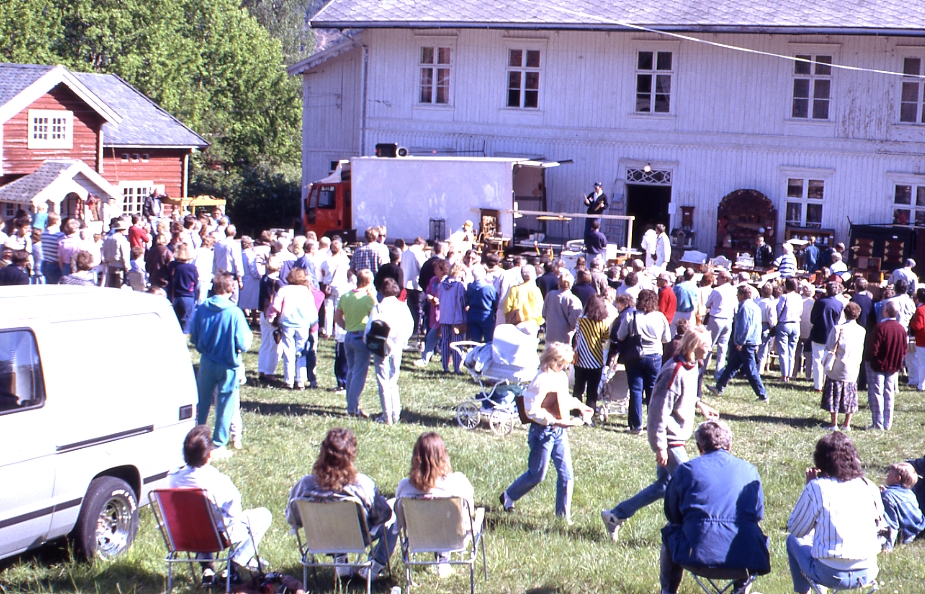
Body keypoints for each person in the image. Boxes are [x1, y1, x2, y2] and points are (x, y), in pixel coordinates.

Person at [602, 327, 717, 540]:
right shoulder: (673, 370)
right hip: (670, 440)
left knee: (663, 486)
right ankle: (695, 534)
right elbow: (658, 409)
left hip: (676, 438)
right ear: (694, 346)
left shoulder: (691, 367)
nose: (710, 348)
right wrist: (660, 446)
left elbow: (685, 394)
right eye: (706, 345)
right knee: (692, 484)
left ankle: (615, 515)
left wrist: (700, 405)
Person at [659, 420, 770, 594]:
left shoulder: (686, 470)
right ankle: (740, 591)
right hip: (745, 561)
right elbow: (757, 514)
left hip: (695, 558)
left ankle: (668, 591)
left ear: (698, 446)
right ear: (730, 445)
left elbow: (672, 514)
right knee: (749, 530)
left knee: (669, 530)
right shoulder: (750, 471)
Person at [286, 428, 397, 581]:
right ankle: (376, 565)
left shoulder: (305, 485)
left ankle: (340, 559)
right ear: (351, 455)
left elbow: (292, 518)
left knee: (334, 522)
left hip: (321, 538)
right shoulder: (362, 484)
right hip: (357, 538)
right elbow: (383, 515)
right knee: (394, 511)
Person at [500, 342, 592, 523]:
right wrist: (554, 420)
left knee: (566, 474)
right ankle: (508, 496)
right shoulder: (541, 379)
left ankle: (562, 517)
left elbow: (562, 399)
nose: (566, 366)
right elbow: (531, 410)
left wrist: (580, 406)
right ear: (553, 360)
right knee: (537, 474)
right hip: (542, 431)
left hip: (559, 432)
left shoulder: (561, 377)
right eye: (563, 363)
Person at [168, 425, 271, 584]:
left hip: (186, 536)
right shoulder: (217, 479)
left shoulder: (173, 478)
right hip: (218, 537)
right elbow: (234, 510)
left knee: (199, 521)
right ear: (209, 454)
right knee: (263, 515)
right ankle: (233, 567)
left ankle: (207, 568)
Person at [787, 432, 882, 594]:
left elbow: (797, 530)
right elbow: (880, 526)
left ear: (820, 460)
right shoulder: (869, 486)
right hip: (868, 571)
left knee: (793, 540)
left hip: (830, 574)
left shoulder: (817, 487)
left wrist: (809, 487)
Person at [190, 272, 253, 458]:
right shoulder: (234, 312)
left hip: (207, 361)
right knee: (225, 403)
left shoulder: (202, 309)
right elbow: (244, 343)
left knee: (202, 401)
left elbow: (194, 335)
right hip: (228, 363)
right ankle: (218, 443)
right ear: (230, 288)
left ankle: (197, 436)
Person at [395, 432, 475, 578]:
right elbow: (470, 511)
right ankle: (443, 561)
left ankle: (442, 559)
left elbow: (400, 519)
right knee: (446, 518)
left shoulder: (405, 487)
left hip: (418, 536)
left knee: (437, 518)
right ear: (443, 455)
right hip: (453, 536)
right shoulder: (457, 482)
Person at [617, 289, 671, 433]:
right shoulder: (660, 317)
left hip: (635, 356)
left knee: (635, 390)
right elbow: (667, 339)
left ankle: (636, 425)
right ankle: (654, 424)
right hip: (654, 356)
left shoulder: (632, 315)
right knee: (653, 390)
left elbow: (620, 335)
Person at [706, 284, 768, 401]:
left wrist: (740, 341)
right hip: (752, 340)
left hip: (745, 343)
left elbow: (745, 326)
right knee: (732, 365)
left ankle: (762, 395)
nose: (737, 297)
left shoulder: (744, 307)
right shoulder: (756, 307)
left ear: (742, 295)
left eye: (738, 295)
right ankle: (719, 387)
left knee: (750, 370)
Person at [367, 278, 413, 424]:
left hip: (382, 346)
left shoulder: (378, 307)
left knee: (383, 381)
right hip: (397, 345)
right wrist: (402, 340)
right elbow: (409, 326)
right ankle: (395, 413)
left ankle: (387, 415)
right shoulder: (402, 307)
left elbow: (370, 329)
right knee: (393, 380)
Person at [268, 268, 318, 390]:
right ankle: (300, 380)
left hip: (287, 323)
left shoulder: (284, 290)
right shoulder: (307, 291)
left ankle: (288, 380)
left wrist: (274, 317)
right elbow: (312, 310)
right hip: (303, 324)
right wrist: (312, 323)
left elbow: (275, 305)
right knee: (301, 352)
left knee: (288, 351)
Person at [336, 269, 377, 417]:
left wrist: (346, 326)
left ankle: (351, 404)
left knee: (351, 371)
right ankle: (353, 407)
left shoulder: (346, 296)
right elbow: (377, 314)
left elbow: (338, 316)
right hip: (361, 337)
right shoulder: (367, 300)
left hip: (348, 336)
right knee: (359, 374)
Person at [820, 301, 866, 430]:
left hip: (838, 366)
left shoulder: (838, 328)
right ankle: (847, 424)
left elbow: (829, 347)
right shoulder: (861, 330)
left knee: (834, 394)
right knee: (850, 395)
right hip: (853, 367)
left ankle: (833, 423)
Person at [865, 301, 907, 430]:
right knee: (889, 393)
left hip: (877, 365)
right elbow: (904, 349)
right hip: (893, 365)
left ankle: (878, 423)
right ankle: (887, 423)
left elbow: (873, 348)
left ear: (885, 311)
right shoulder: (901, 329)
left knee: (876, 393)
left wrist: (869, 359)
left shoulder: (880, 327)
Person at [572, 294, 612, 413]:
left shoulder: (581, 320)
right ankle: (590, 411)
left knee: (578, 387)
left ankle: (575, 411)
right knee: (592, 389)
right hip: (596, 359)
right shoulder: (604, 322)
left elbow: (577, 335)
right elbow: (605, 338)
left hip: (581, 358)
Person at [880, 462, 925, 550]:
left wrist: (887, 547)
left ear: (898, 478)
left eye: (889, 474)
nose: (887, 476)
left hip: (903, 535)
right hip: (917, 530)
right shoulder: (910, 493)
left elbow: (891, 523)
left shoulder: (887, 496)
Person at [809, 282, 845, 392]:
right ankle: (826, 384)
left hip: (818, 333)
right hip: (832, 334)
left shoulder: (819, 302)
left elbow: (812, 318)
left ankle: (817, 385)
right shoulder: (839, 304)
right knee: (828, 360)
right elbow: (839, 320)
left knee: (817, 360)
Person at [703, 269, 737, 381]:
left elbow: (707, 304)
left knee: (709, 345)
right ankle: (718, 373)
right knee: (723, 348)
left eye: (718, 278)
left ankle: (701, 369)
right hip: (728, 319)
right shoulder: (734, 290)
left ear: (724, 278)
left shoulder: (716, 291)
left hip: (716, 318)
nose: (717, 280)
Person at [437, 263, 467, 374]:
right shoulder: (459, 285)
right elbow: (462, 301)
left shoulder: (441, 284)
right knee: (457, 343)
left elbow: (440, 298)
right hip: (456, 318)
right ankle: (457, 367)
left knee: (445, 342)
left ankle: (445, 366)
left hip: (444, 316)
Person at [257, 255, 283, 383]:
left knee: (265, 343)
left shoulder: (264, 279)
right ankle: (269, 372)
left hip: (263, 312)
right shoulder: (278, 283)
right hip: (272, 315)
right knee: (274, 345)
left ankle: (262, 369)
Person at [502, 265, 545, 336]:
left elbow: (507, 307)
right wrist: (539, 322)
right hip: (532, 322)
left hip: (517, 322)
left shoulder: (514, 289)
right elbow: (540, 308)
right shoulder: (536, 290)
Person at [543, 271, 583, 345]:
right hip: (565, 337)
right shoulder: (573, 299)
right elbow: (574, 320)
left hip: (550, 334)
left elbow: (544, 313)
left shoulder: (550, 295)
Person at [167, 243, 199, 334]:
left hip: (174, 295)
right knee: (186, 320)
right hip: (187, 295)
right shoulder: (191, 268)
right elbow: (196, 281)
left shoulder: (172, 265)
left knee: (175, 319)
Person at [776, 278, 803, 382]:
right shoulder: (799, 297)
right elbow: (800, 311)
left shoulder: (784, 297)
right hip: (796, 324)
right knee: (792, 350)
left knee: (783, 351)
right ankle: (790, 373)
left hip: (784, 323)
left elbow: (779, 310)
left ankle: (784, 375)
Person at [401, 236, 428, 336]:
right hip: (416, 283)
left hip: (406, 283)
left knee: (411, 307)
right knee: (419, 307)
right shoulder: (418, 253)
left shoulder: (405, 253)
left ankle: (413, 327)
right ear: (421, 245)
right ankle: (418, 327)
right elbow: (422, 267)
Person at [465, 264, 498, 343]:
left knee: (475, 341)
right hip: (486, 316)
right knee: (488, 340)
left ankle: (475, 355)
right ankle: (487, 355)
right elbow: (495, 302)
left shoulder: (470, 287)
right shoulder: (489, 288)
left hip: (472, 315)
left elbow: (467, 300)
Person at [213, 225, 244, 302]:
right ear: (235, 233)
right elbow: (237, 262)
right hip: (231, 276)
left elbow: (215, 260)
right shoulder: (235, 245)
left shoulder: (218, 244)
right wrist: (240, 279)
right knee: (233, 300)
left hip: (219, 274)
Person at [101, 219, 131, 287]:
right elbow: (124, 254)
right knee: (119, 285)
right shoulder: (122, 239)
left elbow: (104, 251)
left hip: (110, 264)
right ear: (122, 230)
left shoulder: (108, 238)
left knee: (111, 285)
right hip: (119, 265)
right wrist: (127, 267)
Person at [907, 287, 925, 391]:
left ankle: (921, 385)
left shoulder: (920, 309)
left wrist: (911, 323)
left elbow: (918, 325)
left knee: (922, 363)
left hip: (922, 340)